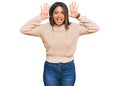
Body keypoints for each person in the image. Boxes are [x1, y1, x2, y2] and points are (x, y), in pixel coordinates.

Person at [20, 2, 99, 86]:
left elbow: (95, 28)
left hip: (68, 68)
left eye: (62, 12)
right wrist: (40, 17)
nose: (59, 15)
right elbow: (24, 29)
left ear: (66, 15)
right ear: (51, 14)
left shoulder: (74, 28)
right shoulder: (44, 28)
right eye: (56, 12)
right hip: (50, 68)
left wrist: (78, 16)